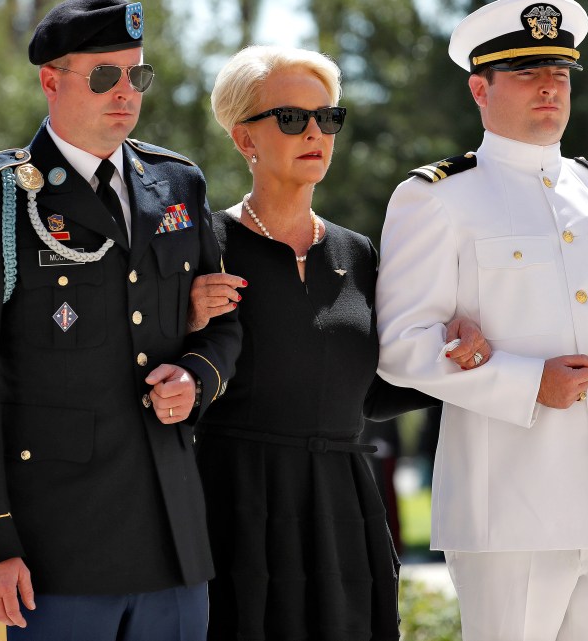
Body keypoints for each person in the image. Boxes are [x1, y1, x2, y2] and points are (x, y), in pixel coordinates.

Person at [375, 0, 588, 641]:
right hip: (508, 512)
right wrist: (528, 382)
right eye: (525, 73)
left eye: (558, 73)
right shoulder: (437, 197)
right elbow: (400, 344)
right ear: (478, 90)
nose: (548, 87)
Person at [0, 0, 241, 641]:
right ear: (52, 80)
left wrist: (197, 377)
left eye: (137, 75)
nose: (125, 92)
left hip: (174, 539)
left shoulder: (179, 184)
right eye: (104, 75)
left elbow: (224, 320)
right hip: (56, 550)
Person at [186, 45, 490, 640]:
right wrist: (190, 322)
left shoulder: (358, 252)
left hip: (342, 503)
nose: (315, 133)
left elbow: (372, 392)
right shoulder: (203, 242)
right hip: (236, 500)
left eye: (327, 118)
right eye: (292, 119)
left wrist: (460, 361)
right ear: (244, 139)